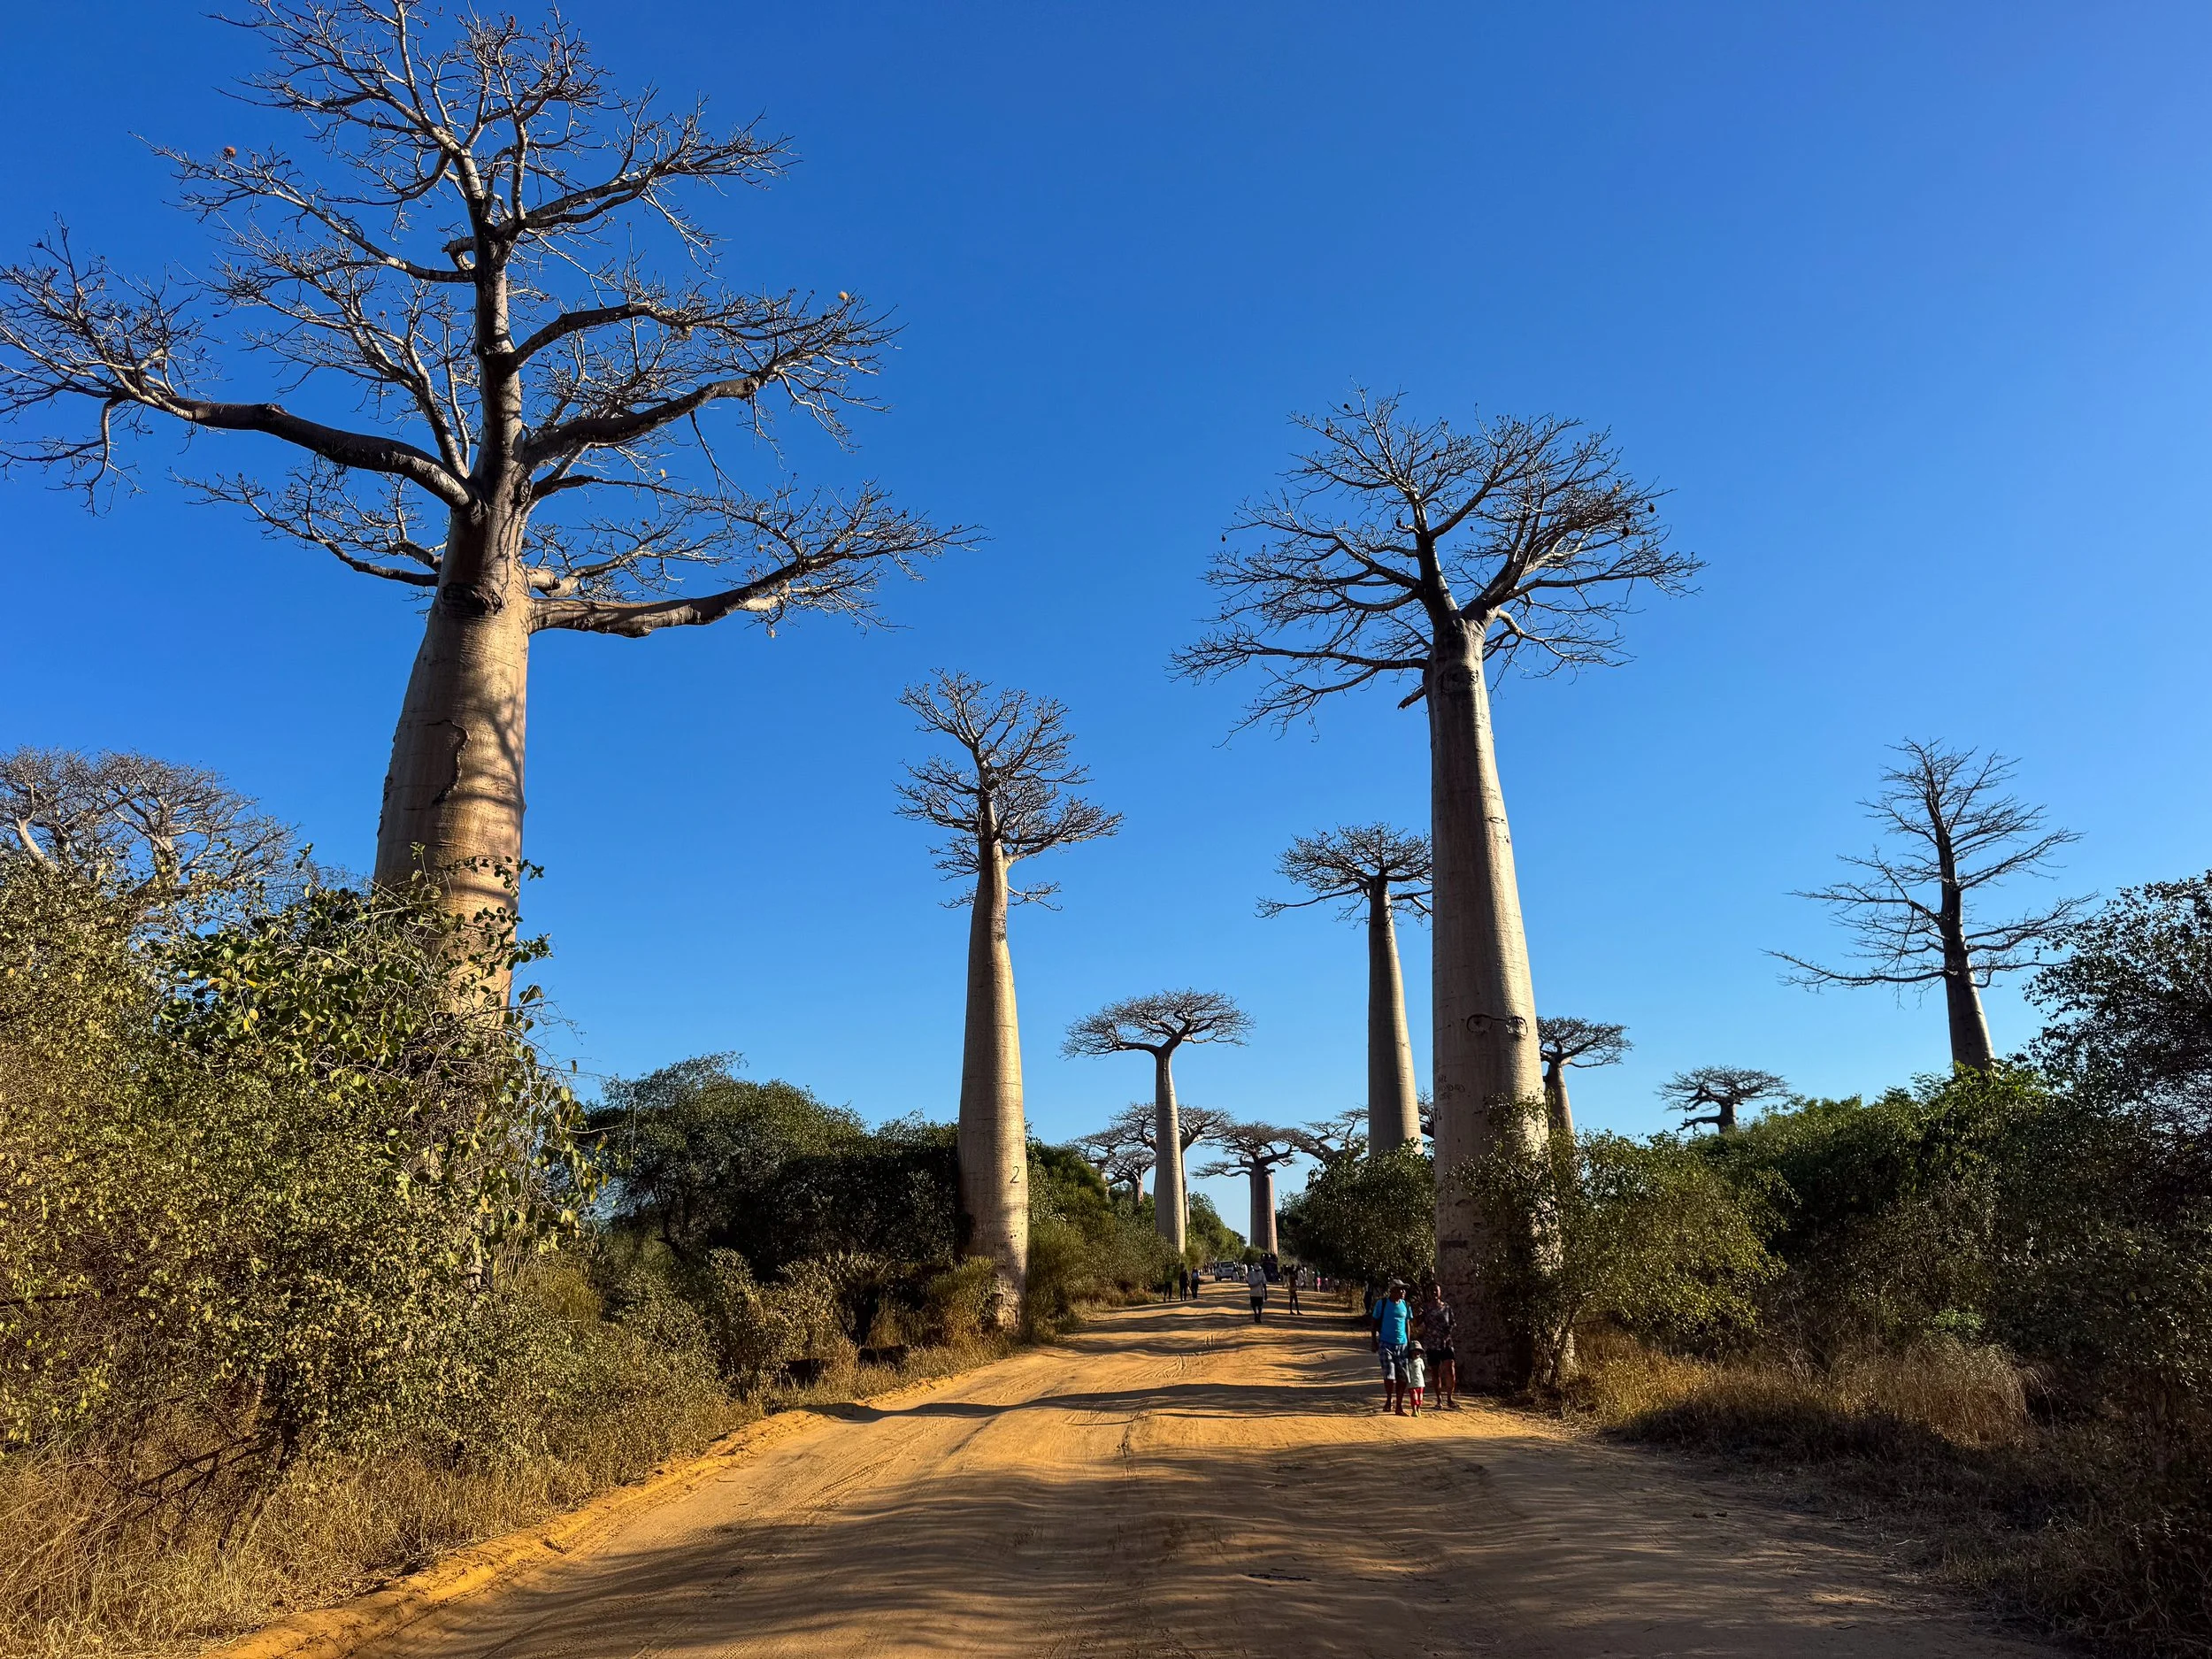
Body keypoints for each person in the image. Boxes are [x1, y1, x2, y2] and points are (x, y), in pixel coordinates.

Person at [1416, 1282, 1458, 1410]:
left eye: (1436, 1290)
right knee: (1435, 1371)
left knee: (1450, 1370)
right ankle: (1439, 1400)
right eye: (1432, 1291)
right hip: (1432, 1344)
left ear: (1440, 1292)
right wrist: (1418, 1314)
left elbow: (1452, 1323)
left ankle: (1450, 1398)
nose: (1434, 1293)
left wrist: (1447, 1335)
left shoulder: (1446, 1307)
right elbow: (1417, 1324)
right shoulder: (1425, 1308)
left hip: (1446, 1343)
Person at [1373, 1279, 1413, 1414]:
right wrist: (1374, 1341)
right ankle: (1389, 1399)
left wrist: (1409, 1344)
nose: (1403, 1292)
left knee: (1403, 1377)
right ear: (1392, 1291)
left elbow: (1407, 1325)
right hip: (1386, 1343)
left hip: (1402, 1345)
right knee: (1389, 1375)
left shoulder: (1406, 1305)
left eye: (1404, 1289)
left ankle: (1399, 1406)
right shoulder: (1382, 1304)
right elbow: (1374, 1322)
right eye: (1400, 1289)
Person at [1246, 1259, 1269, 1324]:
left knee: (1254, 1305)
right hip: (1260, 1293)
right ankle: (1259, 1317)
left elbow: (1247, 1281)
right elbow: (1264, 1284)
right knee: (1260, 1306)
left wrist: (1252, 1282)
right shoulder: (1262, 1274)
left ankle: (1256, 1314)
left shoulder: (1250, 1273)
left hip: (1253, 1292)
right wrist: (1266, 1293)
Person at [1406, 1345, 1426, 1414]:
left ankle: (1418, 1409)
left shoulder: (1420, 1361)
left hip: (1420, 1382)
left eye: (1418, 1353)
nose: (1417, 1354)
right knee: (1414, 1397)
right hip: (1411, 1383)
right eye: (1414, 1353)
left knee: (1420, 1397)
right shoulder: (1408, 1361)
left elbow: (1423, 1369)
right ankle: (1414, 1410)